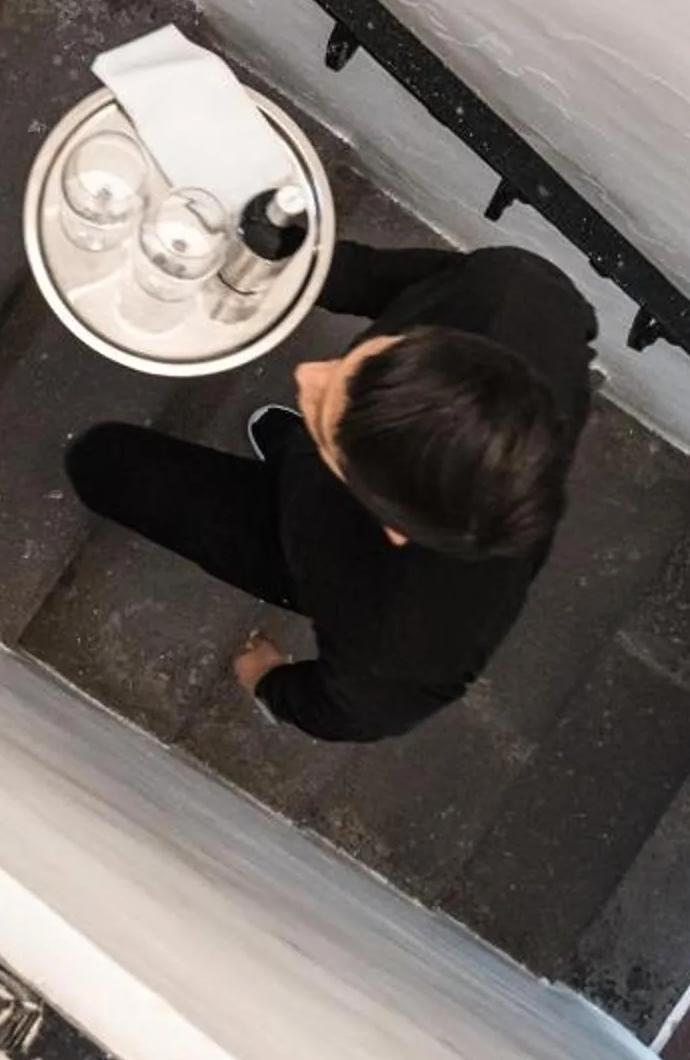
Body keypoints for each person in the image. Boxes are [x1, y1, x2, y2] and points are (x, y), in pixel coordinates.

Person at [63, 239, 595, 741]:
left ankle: (300, 453)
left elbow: (351, 713)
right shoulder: (518, 292)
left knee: (103, 463)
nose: (307, 375)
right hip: (334, 490)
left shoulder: (404, 643)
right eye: (359, 365)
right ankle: (300, 447)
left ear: (389, 517)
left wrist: (269, 684)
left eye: (325, 414)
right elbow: (412, 281)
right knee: (296, 443)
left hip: (312, 553)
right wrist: (296, 270)